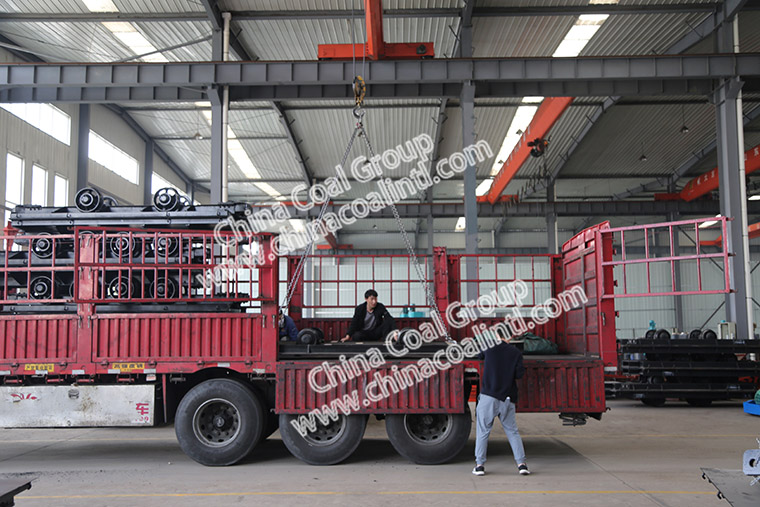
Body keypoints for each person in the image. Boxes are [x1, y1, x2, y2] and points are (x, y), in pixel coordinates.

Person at [472, 333, 530, 477]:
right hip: (507, 398)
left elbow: (479, 356)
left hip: (488, 397)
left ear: (497, 335)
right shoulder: (516, 353)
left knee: (483, 431)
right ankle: (521, 465)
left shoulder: (489, 347)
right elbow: (519, 374)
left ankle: (480, 466)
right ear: (511, 337)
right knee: (512, 431)